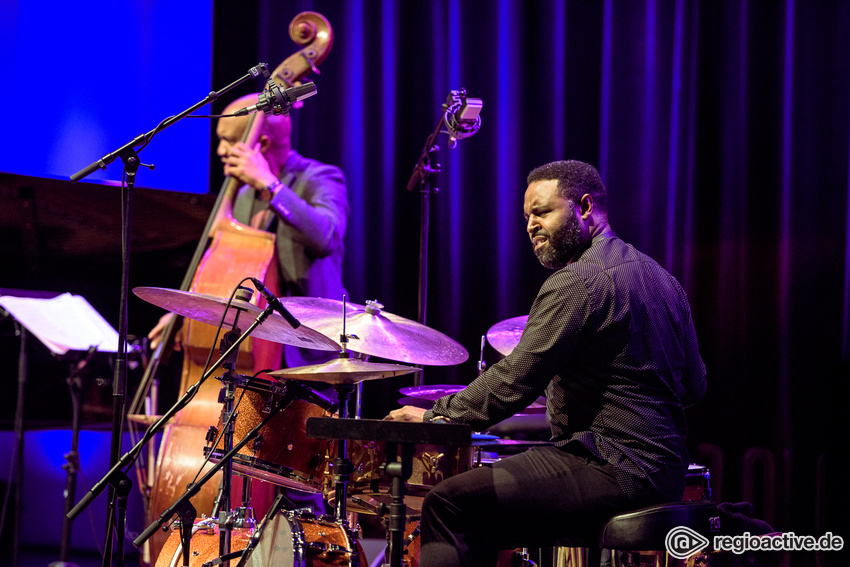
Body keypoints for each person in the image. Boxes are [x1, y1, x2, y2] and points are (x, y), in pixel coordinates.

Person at [386, 160, 707, 566]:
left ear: (585, 206)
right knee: (487, 516)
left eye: (542, 212)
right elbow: (695, 387)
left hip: (612, 467)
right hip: (667, 473)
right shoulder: (665, 281)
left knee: (449, 504)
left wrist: (438, 418)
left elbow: (515, 380)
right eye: (526, 217)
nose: (530, 226)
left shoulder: (579, 281)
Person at [149, 92, 349, 369]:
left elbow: (326, 237)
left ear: (261, 143)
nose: (220, 150)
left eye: (229, 141)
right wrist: (186, 315)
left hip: (309, 347)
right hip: (257, 345)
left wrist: (271, 186)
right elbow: (225, 273)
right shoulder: (242, 196)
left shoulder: (320, 178)